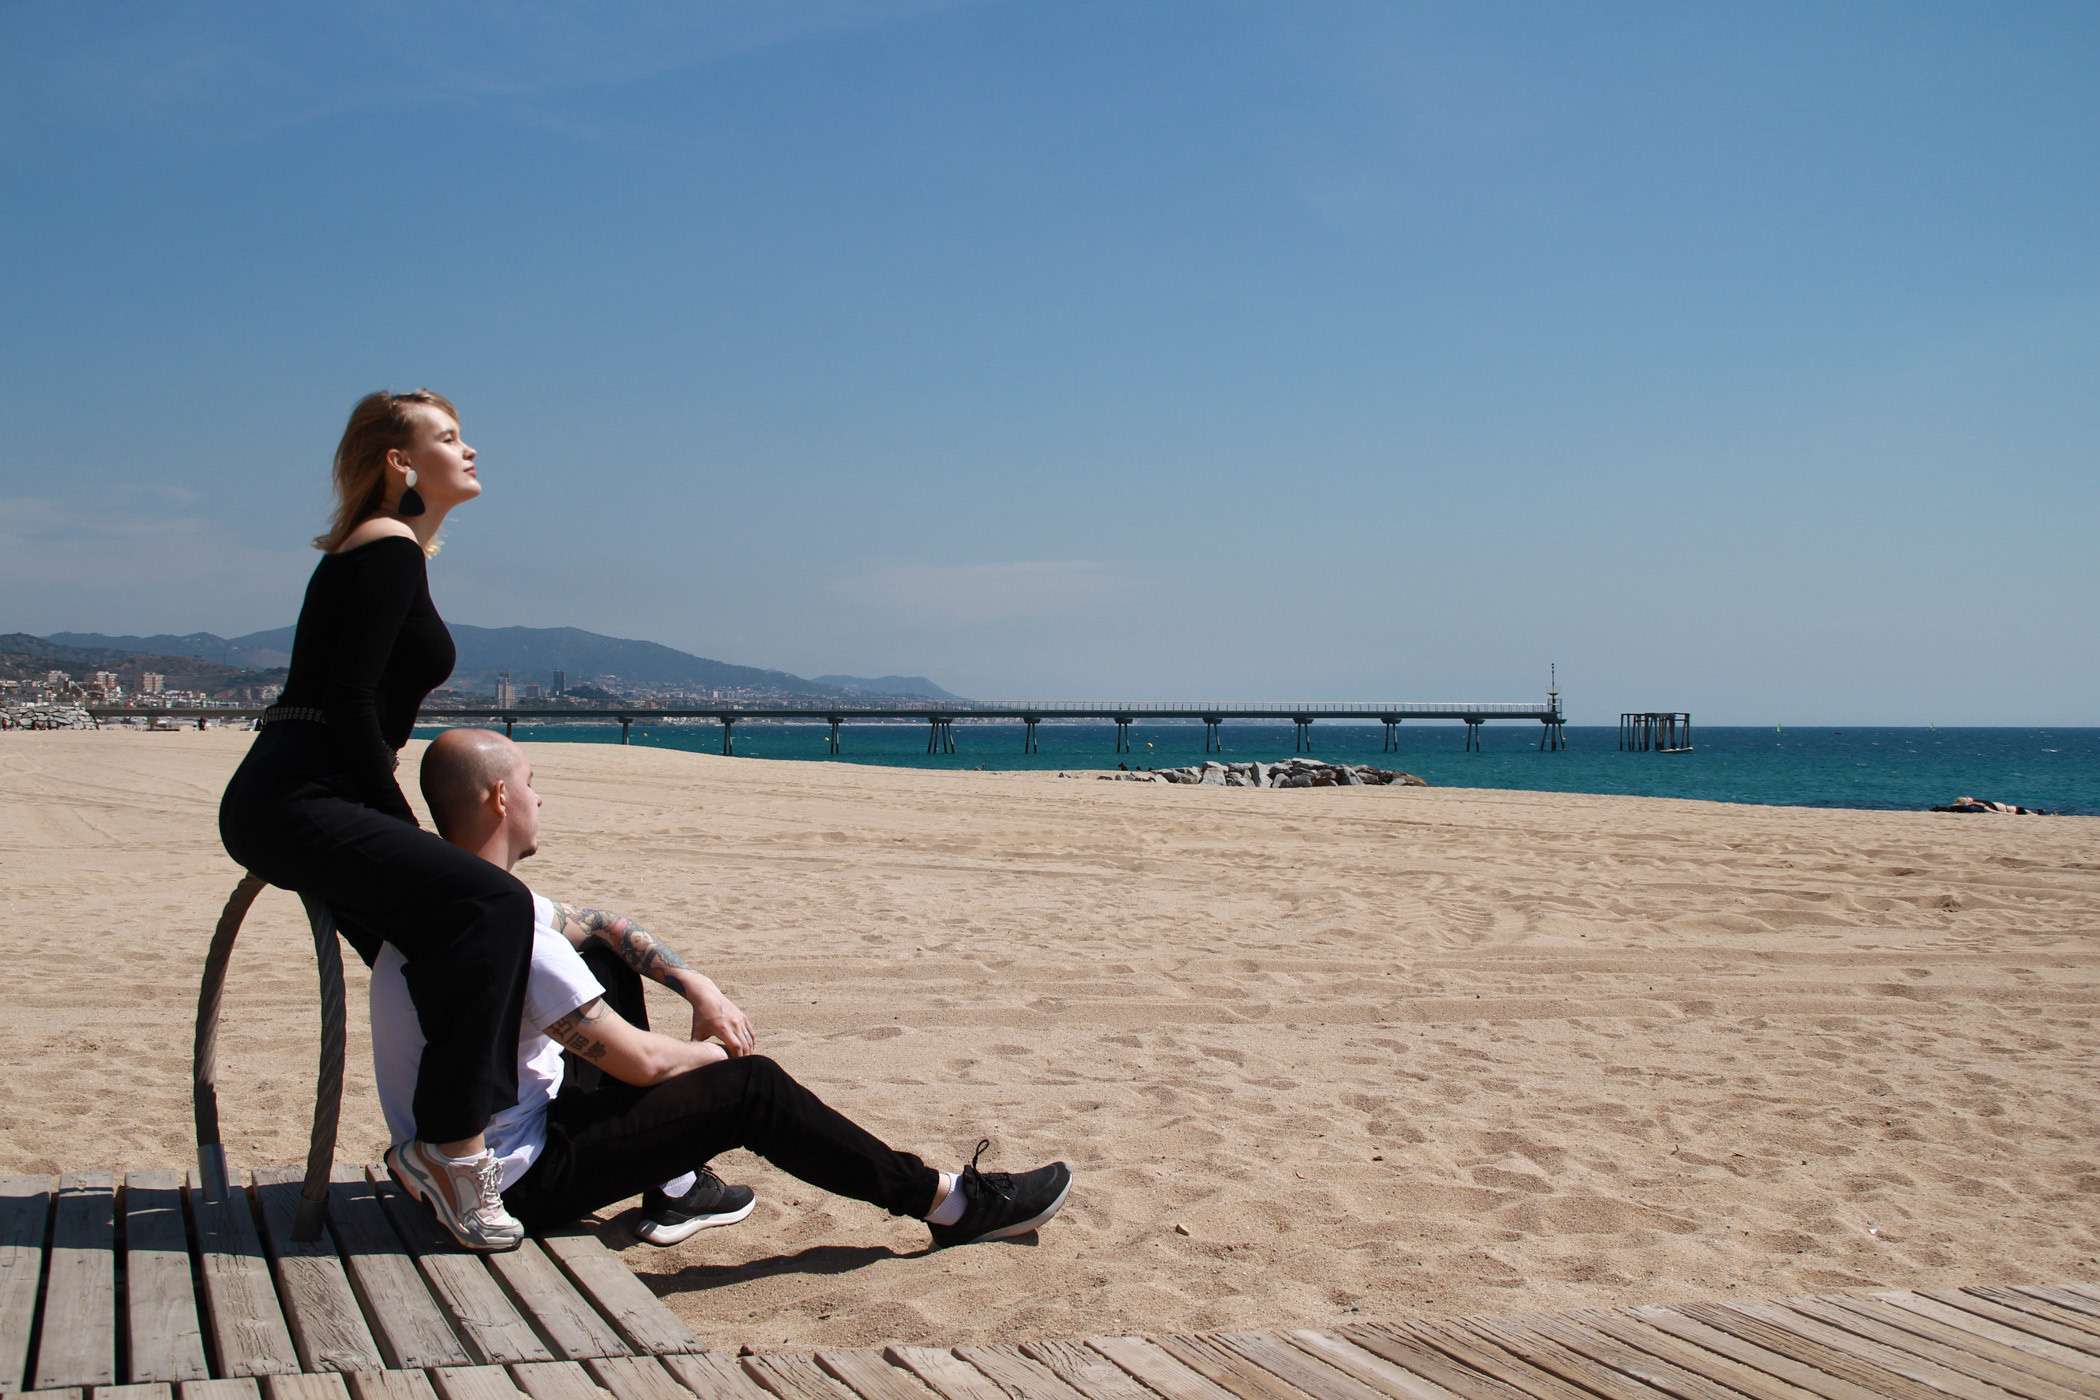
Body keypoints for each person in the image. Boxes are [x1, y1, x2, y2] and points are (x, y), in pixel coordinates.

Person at [377, 727, 1072, 1247]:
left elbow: (599, 925)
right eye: (530, 782)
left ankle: (676, 1187)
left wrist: (692, 983)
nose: (539, 796)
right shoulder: (518, 938)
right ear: (501, 797)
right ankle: (949, 1205)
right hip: (504, 1186)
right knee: (755, 1090)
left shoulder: (455, 901)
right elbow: (643, 1064)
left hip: (482, 1151)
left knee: (610, 959)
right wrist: (721, 1059)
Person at [219, 391, 535, 1252]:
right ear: (400, 463)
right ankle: (455, 1152)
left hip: (302, 792)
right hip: (301, 797)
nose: (469, 450)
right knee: (494, 908)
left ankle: (465, 1140)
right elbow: (354, 708)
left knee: (436, 949)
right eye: (447, 438)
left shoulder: (390, 550)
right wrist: (409, 831)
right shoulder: (389, 548)